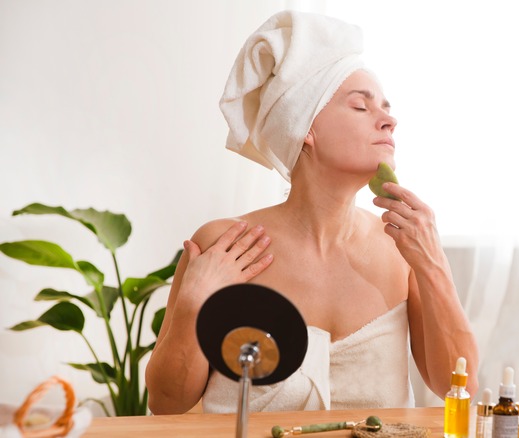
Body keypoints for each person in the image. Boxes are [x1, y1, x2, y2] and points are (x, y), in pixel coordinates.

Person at [145, 10, 478, 414]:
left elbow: (458, 387)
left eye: (387, 108)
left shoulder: (401, 250)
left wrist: (434, 264)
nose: (389, 120)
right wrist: (195, 301)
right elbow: (167, 403)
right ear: (305, 128)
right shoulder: (224, 245)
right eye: (361, 107)